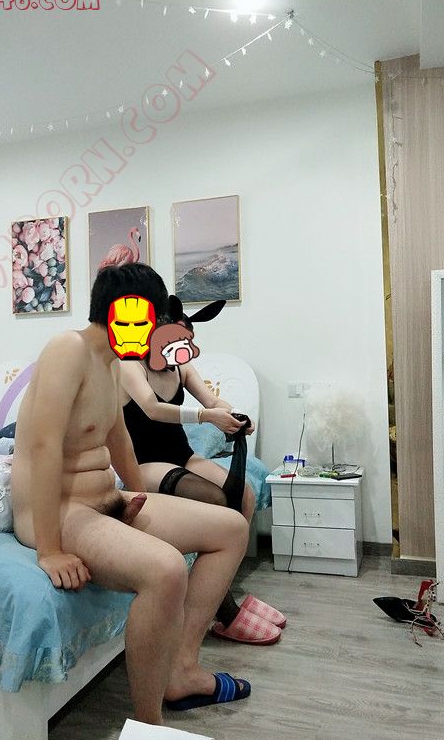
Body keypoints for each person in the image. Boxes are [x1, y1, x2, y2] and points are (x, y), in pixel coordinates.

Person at [10, 263, 252, 725]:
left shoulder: (112, 364)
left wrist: (140, 498)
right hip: (64, 512)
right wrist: (50, 551)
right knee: (166, 569)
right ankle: (147, 723)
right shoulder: (68, 349)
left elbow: (119, 439)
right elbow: (43, 448)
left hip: (107, 501)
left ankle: (181, 671)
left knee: (231, 529)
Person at [119, 267, 286, 645]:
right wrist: (207, 417)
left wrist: (234, 415)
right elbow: (152, 409)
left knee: (243, 494)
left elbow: (213, 401)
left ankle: (218, 596)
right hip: (145, 461)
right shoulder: (129, 364)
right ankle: (226, 611)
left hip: (181, 453)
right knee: (214, 500)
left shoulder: (181, 366)